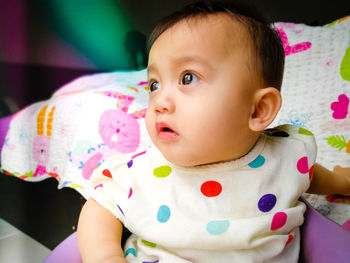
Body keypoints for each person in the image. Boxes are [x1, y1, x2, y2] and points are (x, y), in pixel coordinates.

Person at [76, 1, 350, 262]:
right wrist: (106, 256)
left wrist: (341, 183)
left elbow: (306, 173)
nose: (160, 102)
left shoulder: (287, 152)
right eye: (154, 85)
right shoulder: (143, 172)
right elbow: (101, 205)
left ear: (258, 110)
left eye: (187, 78)